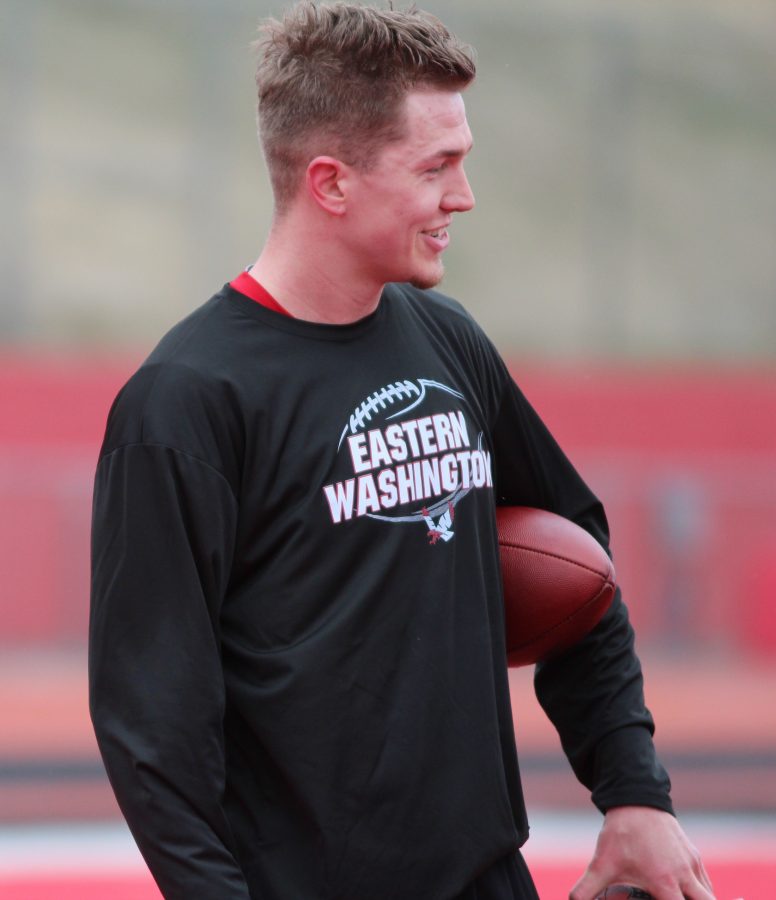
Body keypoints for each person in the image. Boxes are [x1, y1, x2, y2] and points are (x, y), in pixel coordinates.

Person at [89, 4, 715, 899]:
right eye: (438, 168)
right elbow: (152, 726)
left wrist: (634, 792)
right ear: (332, 184)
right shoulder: (186, 401)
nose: (464, 196)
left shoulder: (448, 339)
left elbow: (580, 566)